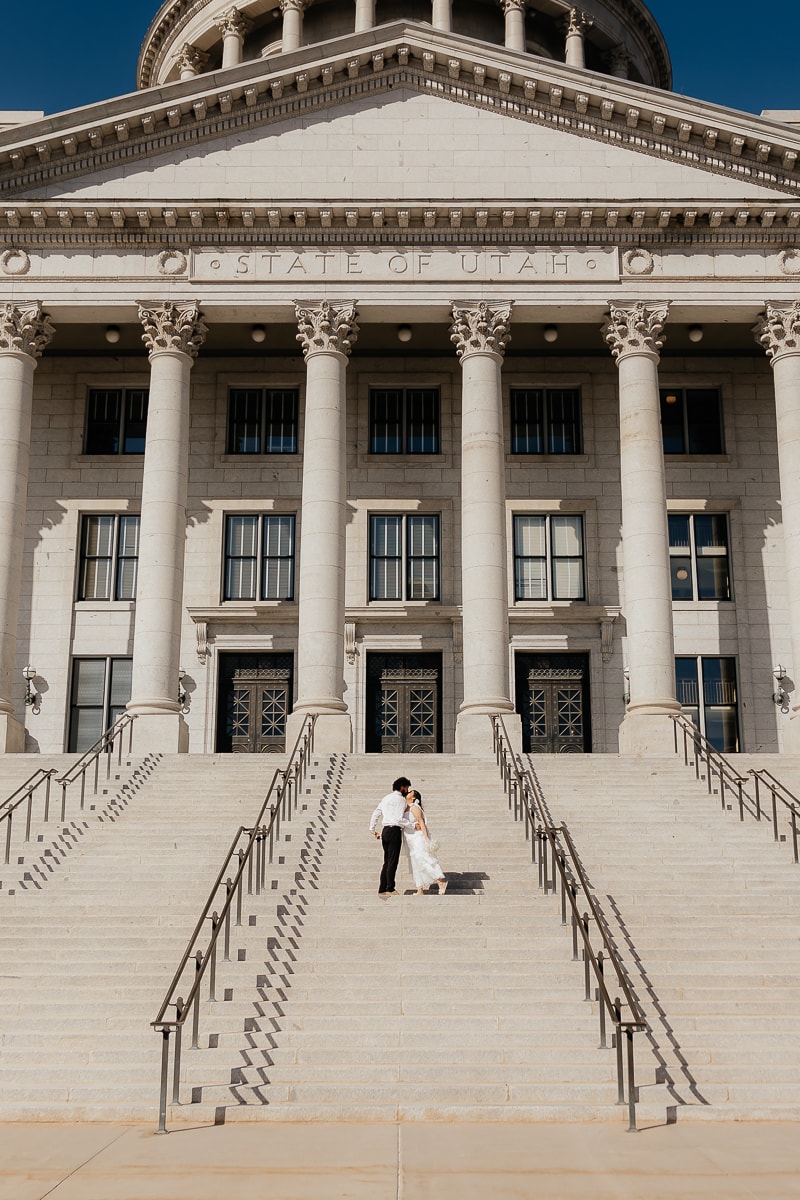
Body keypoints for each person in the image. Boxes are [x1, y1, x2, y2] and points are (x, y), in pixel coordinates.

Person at [369, 776, 411, 897]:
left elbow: (376, 812)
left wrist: (372, 828)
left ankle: (382, 888)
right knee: (392, 861)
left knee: (387, 861)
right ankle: (390, 888)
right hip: (394, 831)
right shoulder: (401, 800)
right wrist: (412, 825)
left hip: (385, 830)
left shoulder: (386, 798)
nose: (407, 790)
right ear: (402, 787)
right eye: (407, 787)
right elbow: (399, 818)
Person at [403, 788, 447, 896]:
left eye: (410, 792)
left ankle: (440, 881)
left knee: (424, 860)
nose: (407, 793)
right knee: (415, 863)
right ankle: (419, 890)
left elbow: (422, 823)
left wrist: (427, 838)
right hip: (410, 839)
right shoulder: (405, 808)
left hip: (418, 838)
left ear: (413, 797)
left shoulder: (414, 807)